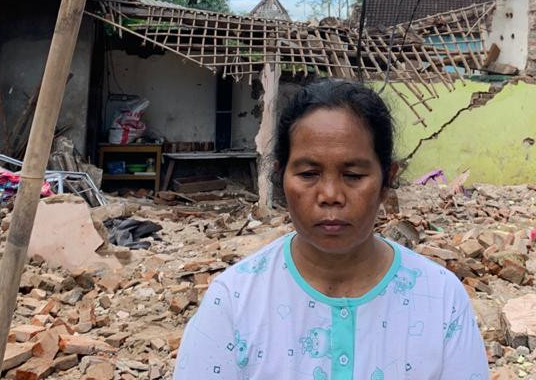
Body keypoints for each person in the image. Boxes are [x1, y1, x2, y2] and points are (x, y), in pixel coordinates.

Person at [172, 80, 490, 380]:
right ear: (281, 177)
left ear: (387, 179)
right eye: (309, 173)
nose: (330, 195)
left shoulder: (441, 300)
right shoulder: (234, 301)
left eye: (352, 175)